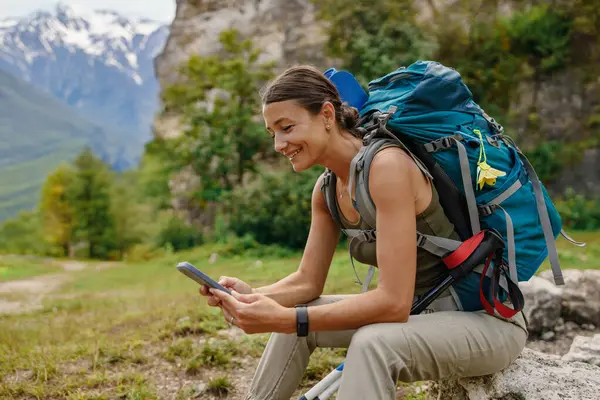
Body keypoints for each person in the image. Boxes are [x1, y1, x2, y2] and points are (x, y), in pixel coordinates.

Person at [200, 65, 528, 400]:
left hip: (485, 319)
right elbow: (306, 283)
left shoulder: (387, 168)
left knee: (369, 344)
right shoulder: (327, 188)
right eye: (273, 133)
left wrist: (286, 318)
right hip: (422, 311)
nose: (279, 144)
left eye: (287, 127)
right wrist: (251, 297)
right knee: (297, 324)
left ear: (327, 115)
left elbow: (393, 304)